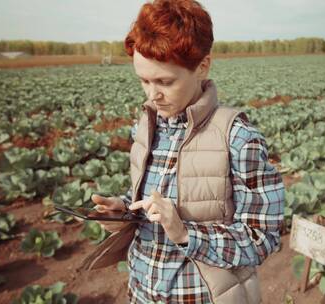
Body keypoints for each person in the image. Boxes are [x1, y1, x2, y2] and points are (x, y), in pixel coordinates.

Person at [83, 0, 285, 303]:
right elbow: (149, 200)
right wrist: (124, 210)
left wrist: (186, 233)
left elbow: (263, 239)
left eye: (165, 81)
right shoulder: (146, 125)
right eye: (144, 80)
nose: (153, 95)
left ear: (202, 66)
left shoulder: (239, 138)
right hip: (141, 291)